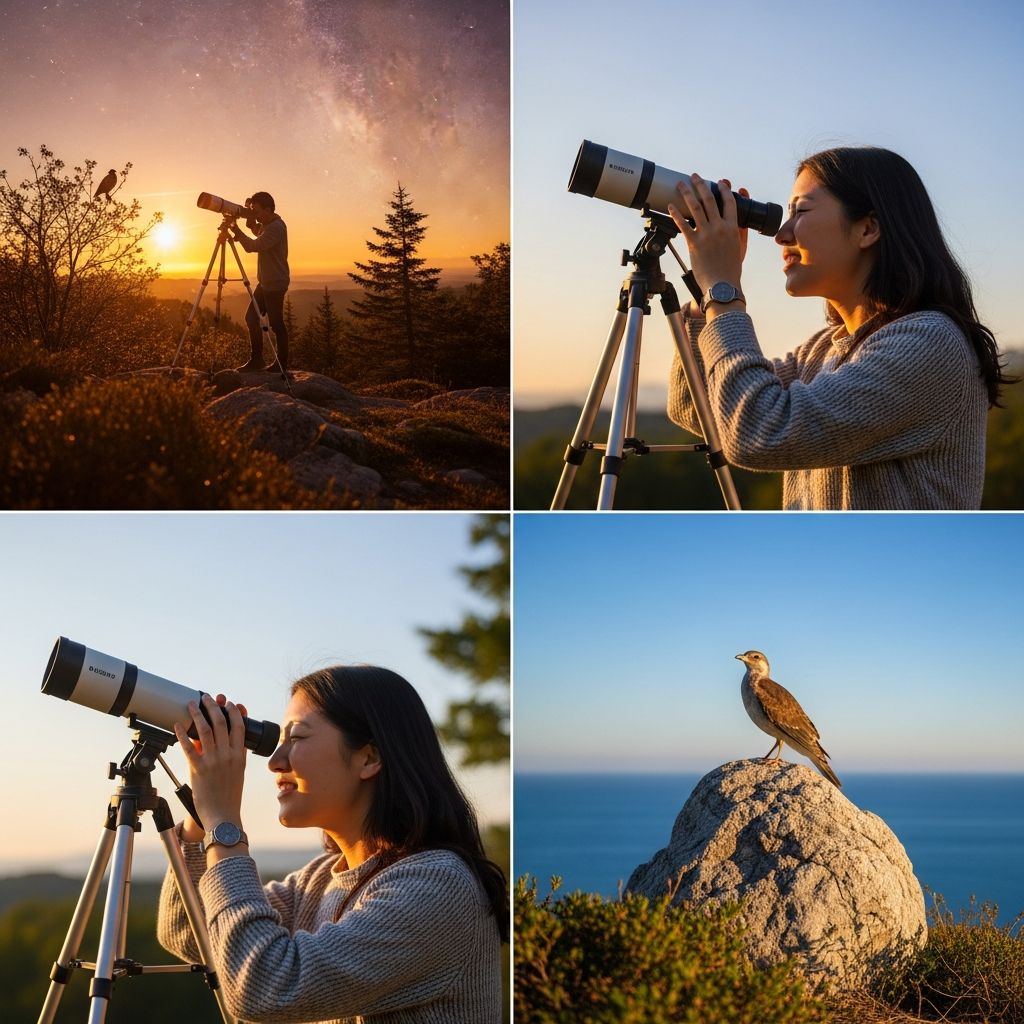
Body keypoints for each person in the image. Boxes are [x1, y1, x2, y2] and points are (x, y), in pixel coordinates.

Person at [665, 147, 1012, 510]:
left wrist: (724, 290)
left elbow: (758, 432)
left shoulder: (930, 344)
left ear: (868, 228)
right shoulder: (821, 351)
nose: (781, 235)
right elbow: (698, 405)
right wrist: (707, 292)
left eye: (801, 211)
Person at [157, 667, 506, 1023]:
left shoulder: (437, 886)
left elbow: (263, 989)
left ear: (368, 758)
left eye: (297, 738)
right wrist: (202, 810)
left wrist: (224, 823)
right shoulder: (319, 882)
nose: (275, 762)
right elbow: (191, 931)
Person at [230, 190, 290, 372]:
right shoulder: (268, 224)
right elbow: (258, 232)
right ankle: (257, 360)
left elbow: (254, 246)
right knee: (251, 318)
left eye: (257, 211)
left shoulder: (276, 227)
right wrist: (250, 221)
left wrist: (236, 230)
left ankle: (281, 364)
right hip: (265, 283)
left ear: (268, 209)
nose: (255, 214)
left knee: (276, 324)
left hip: (275, 283)